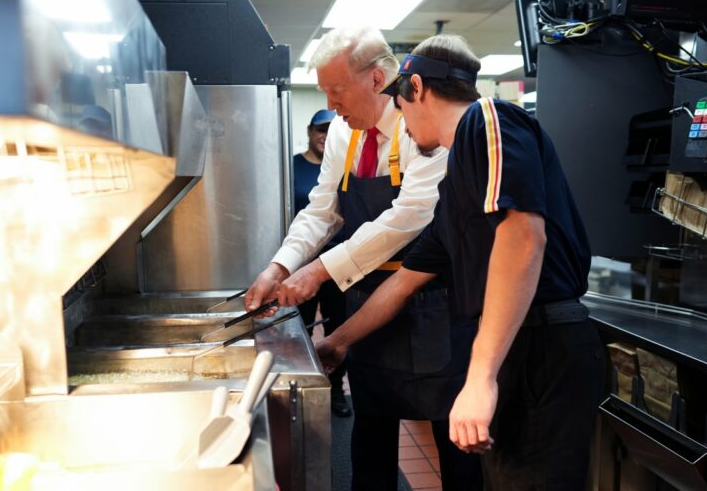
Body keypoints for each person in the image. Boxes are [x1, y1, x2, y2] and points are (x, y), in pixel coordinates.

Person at [317, 34, 605, 490]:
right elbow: (405, 282)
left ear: (415, 88)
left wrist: (480, 377)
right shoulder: (454, 191)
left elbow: (523, 237)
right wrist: (337, 343)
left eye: (400, 103)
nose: (402, 124)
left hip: (542, 347)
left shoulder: (486, 118)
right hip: (517, 350)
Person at [246, 28, 482, 490]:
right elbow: (322, 209)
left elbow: (407, 217)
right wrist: (281, 266)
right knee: (371, 429)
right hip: (367, 299)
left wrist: (319, 271)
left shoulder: (425, 127)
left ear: (377, 80)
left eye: (336, 90)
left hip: (433, 299)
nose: (331, 105)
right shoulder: (341, 131)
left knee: (449, 435)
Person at [293, 108, 351, 417]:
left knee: (337, 325)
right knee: (298, 328)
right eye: (320, 129)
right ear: (310, 131)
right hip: (303, 264)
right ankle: (301, 386)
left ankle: (336, 390)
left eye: (331, 130)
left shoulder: (343, 167)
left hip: (339, 263)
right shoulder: (293, 166)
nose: (325, 135)